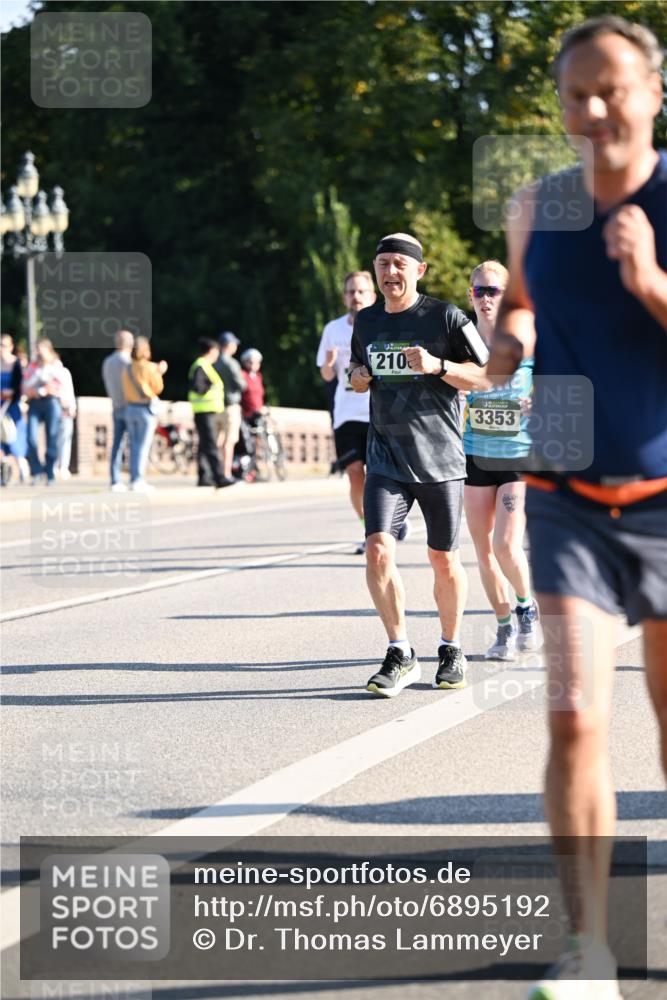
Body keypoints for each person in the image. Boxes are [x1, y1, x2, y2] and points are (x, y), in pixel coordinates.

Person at [487, 15, 666, 998]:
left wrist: (646, 281)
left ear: (651, 91)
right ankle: (588, 944)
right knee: (572, 717)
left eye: (611, 89)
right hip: (564, 504)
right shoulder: (537, 207)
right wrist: (509, 342)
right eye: (574, 94)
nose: (593, 109)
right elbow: (520, 300)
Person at [349, 233, 489, 697]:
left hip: (441, 458)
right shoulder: (366, 321)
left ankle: (450, 647)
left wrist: (437, 365)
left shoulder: (446, 316)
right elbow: (355, 373)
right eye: (383, 264)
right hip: (385, 457)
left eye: (399, 265)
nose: (391, 273)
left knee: (443, 559)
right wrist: (357, 378)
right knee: (377, 550)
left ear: (419, 270)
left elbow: (487, 375)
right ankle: (400, 650)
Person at [462, 260, 541, 659]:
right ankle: (504, 626)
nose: (487, 298)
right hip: (476, 453)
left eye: (495, 291)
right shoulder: (462, 341)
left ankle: (527, 607)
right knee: (483, 550)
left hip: (516, 455)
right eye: (481, 290)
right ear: (470, 296)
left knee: (506, 544)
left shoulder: (523, 338)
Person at [318, 270, 396, 555]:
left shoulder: (383, 325)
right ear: (345, 297)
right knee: (354, 474)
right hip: (346, 414)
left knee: (381, 474)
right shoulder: (333, 330)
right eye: (351, 291)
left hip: (379, 413)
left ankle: (388, 522)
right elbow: (327, 375)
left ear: (372, 296)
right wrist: (328, 363)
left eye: (361, 291)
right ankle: (369, 529)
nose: (356, 296)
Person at [122, 336, 167, 493]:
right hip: (144, 410)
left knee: (133, 446)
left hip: (130, 408)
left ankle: (133, 478)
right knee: (143, 446)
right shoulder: (148, 367)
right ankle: (138, 480)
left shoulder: (127, 368)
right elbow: (157, 388)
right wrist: (159, 372)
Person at [188, 337, 235, 489]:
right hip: (204, 411)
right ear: (211, 351)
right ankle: (219, 477)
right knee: (211, 445)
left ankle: (204, 476)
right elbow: (198, 387)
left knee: (204, 445)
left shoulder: (204, 365)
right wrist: (210, 387)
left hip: (207, 411)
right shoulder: (201, 365)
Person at [23, 338, 62, 485]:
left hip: (51, 403)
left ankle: (50, 472)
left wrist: (45, 388)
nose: (38, 353)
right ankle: (37, 471)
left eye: (41, 349)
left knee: (51, 438)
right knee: (31, 438)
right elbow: (25, 387)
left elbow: (57, 385)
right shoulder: (33, 366)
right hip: (35, 403)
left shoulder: (55, 365)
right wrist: (37, 388)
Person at [102, 329, 134, 492]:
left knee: (117, 444)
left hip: (115, 406)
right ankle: (135, 478)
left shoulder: (107, 362)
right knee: (134, 444)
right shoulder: (127, 362)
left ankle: (115, 479)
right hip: (130, 406)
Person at [214, 332, 246, 481]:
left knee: (216, 441)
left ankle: (215, 472)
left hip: (215, 406)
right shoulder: (231, 363)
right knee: (229, 442)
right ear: (229, 345)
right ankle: (226, 474)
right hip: (230, 406)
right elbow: (241, 384)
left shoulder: (213, 362)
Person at [0, 334, 28, 483]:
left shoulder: (16, 363)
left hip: (11, 407)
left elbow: (19, 386)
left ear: (10, 347)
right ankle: (3, 471)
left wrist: (11, 395)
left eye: (4, 345)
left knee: (12, 437)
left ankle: (22, 468)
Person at [53, 353, 76, 479]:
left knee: (65, 440)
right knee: (54, 440)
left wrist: (72, 407)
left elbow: (69, 390)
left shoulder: (65, 372)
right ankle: (54, 466)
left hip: (66, 411)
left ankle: (63, 467)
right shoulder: (48, 374)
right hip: (55, 411)